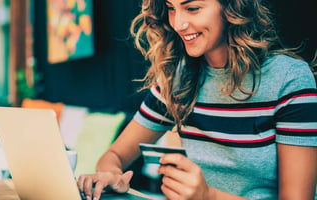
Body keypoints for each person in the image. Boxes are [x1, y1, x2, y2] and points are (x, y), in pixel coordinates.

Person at [77, 0, 317, 199]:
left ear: (232, 8)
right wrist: (111, 174)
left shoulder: (289, 79)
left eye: (192, 8)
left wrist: (208, 196)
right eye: (171, 8)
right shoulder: (177, 80)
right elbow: (114, 156)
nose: (178, 24)